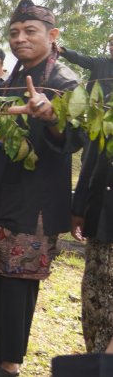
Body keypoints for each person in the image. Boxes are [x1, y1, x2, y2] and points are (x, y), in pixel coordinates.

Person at [0, 0, 83, 377]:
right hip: (1, 192)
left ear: (52, 35)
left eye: (29, 31)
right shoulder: (14, 77)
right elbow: (2, 134)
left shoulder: (64, 81)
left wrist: (52, 116)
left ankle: (10, 363)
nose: (20, 39)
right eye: (14, 32)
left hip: (32, 201)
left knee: (19, 279)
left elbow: (76, 138)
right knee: (0, 274)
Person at [72, 137, 113, 355]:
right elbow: (91, 153)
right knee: (94, 302)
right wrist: (79, 207)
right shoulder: (106, 104)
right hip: (101, 218)